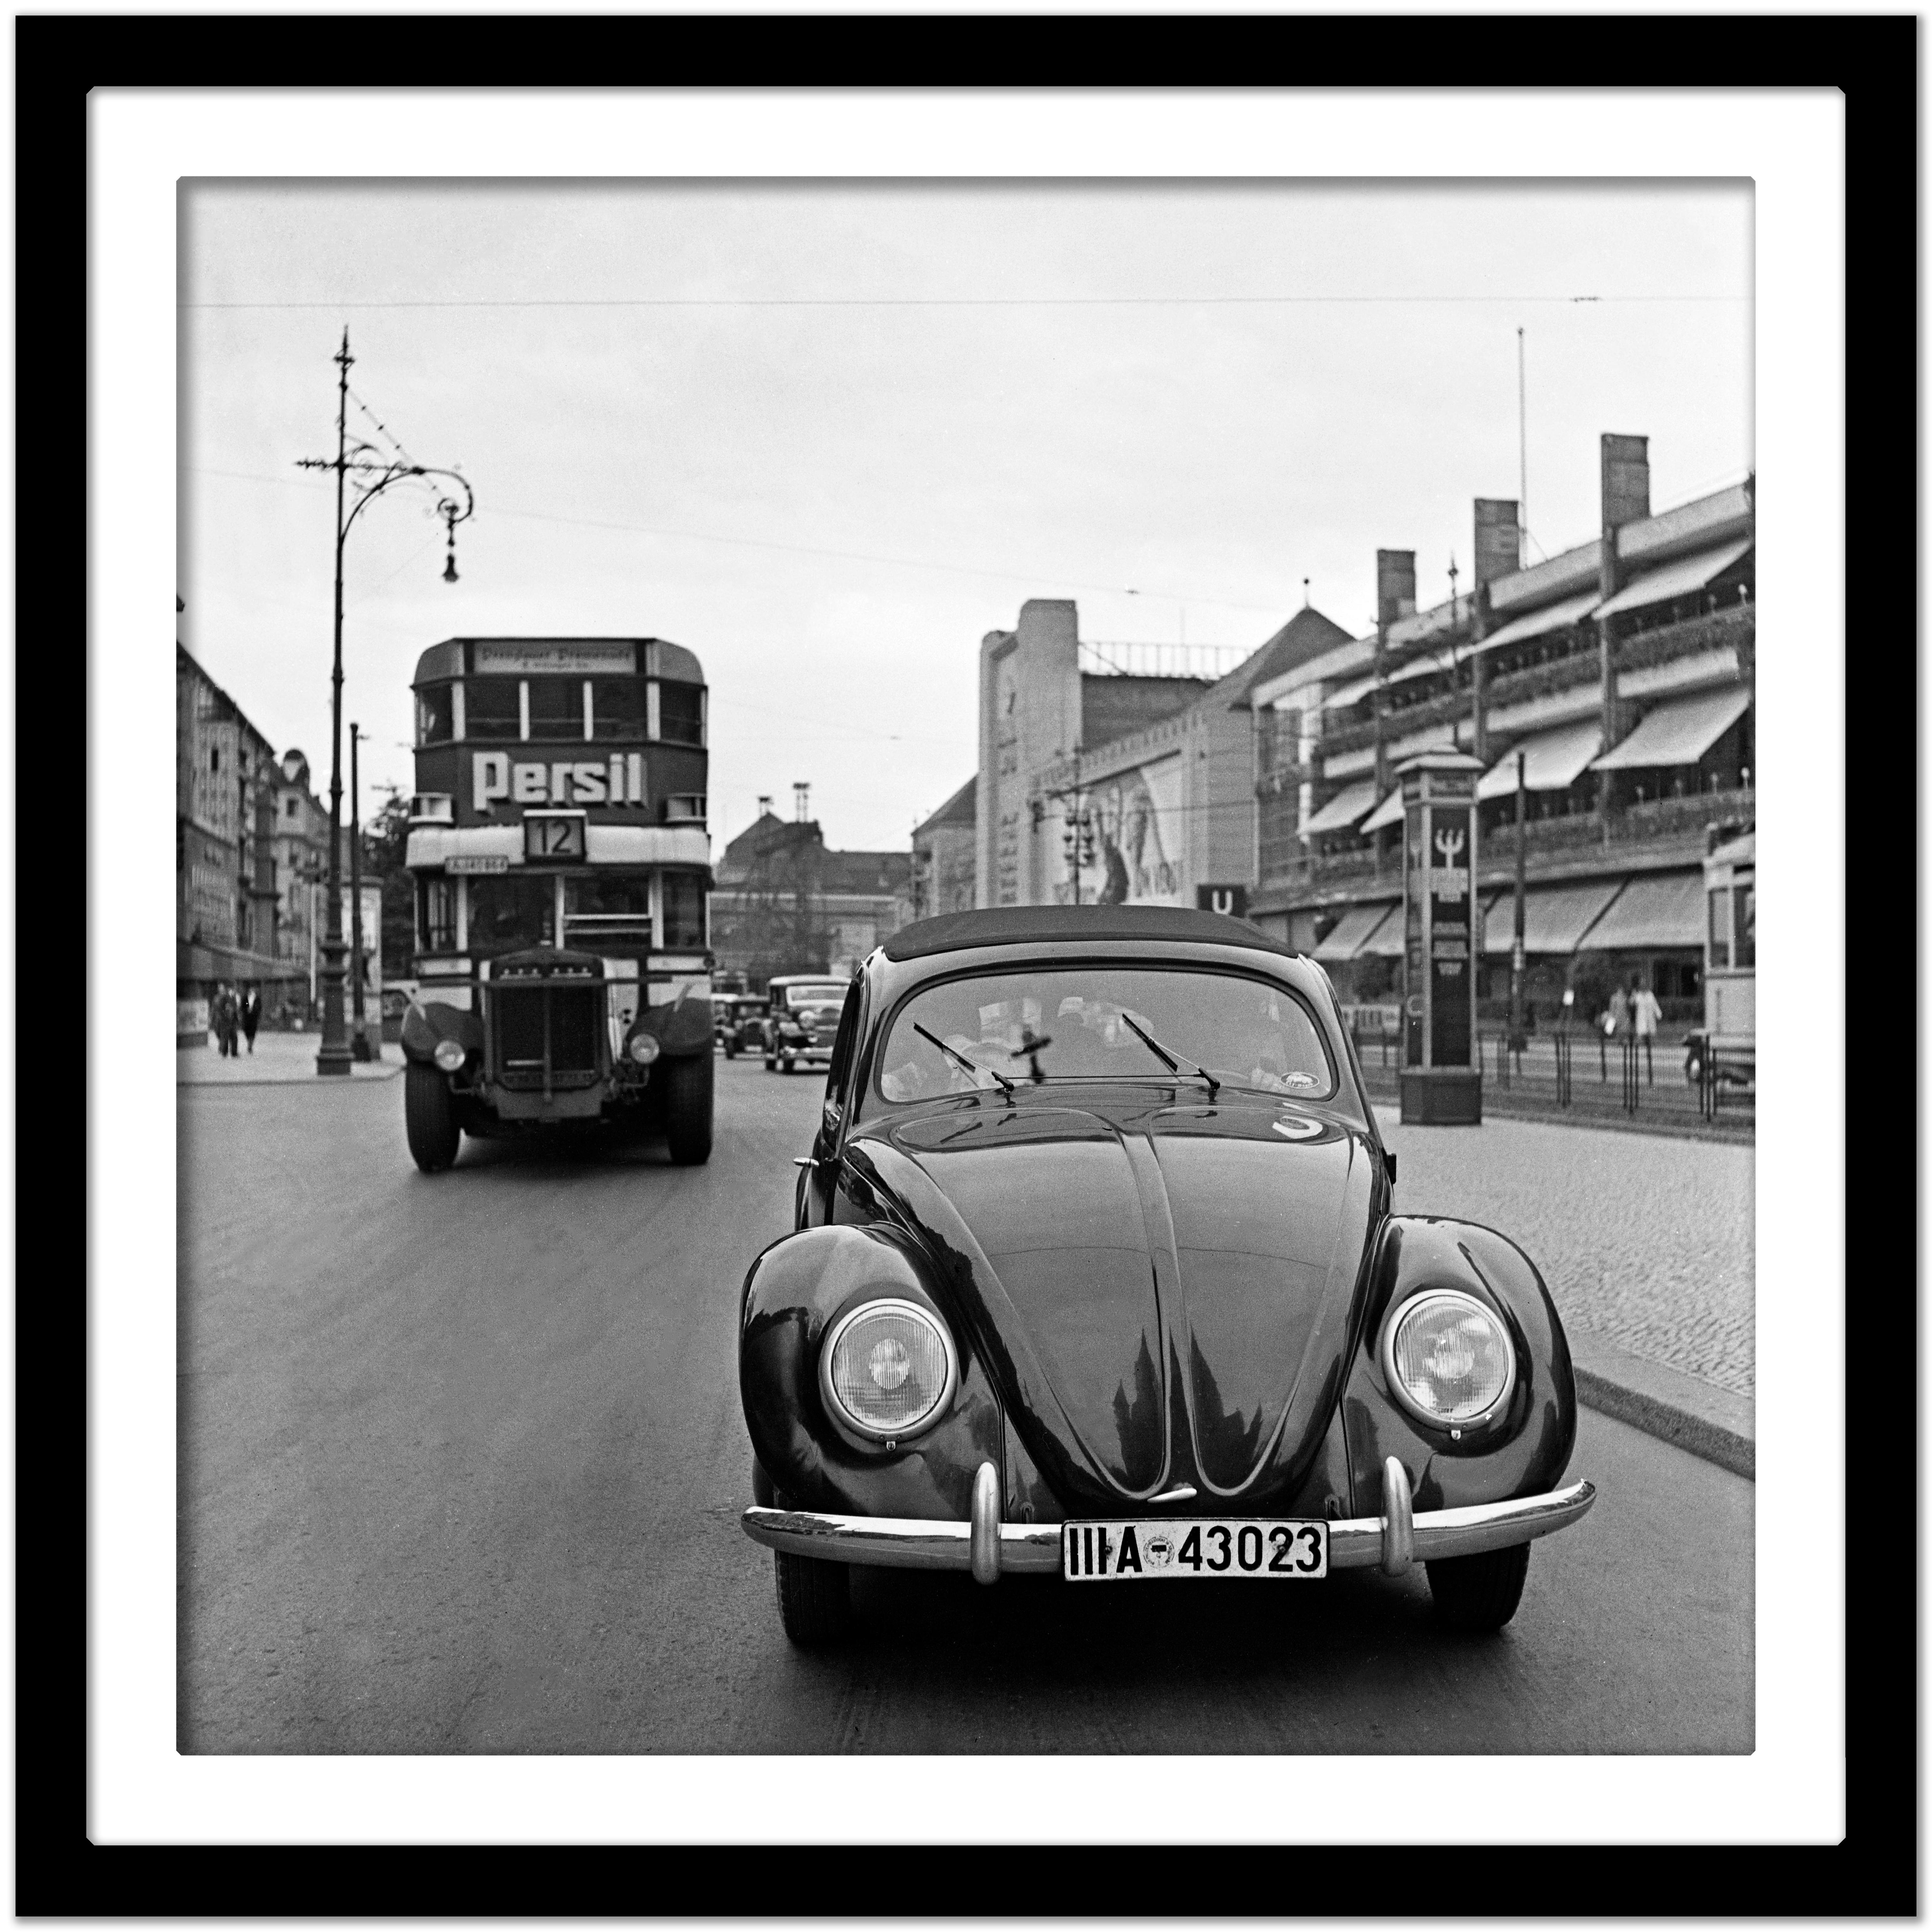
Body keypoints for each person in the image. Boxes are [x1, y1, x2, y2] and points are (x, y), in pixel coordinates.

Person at [1629, 974, 1662, 1085]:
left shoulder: (1650, 995)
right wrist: (1633, 995)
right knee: (1640, 1043)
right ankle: (1639, 1064)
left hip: (1650, 1023)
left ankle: (1649, 1063)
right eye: (1641, 984)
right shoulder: (1638, 995)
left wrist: (1659, 1014)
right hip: (1642, 1024)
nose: (1643, 985)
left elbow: (1655, 1005)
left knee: (1650, 1044)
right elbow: (1632, 1003)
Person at [241, 984, 262, 1055]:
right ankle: (249, 1042)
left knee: (253, 1032)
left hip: (254, 1018)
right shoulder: (245, 998)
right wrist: (247, 1010)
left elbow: (259, 1008)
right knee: (247, 1031)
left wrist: (254, 1011)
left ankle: (250, 1046)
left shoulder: (257, 999)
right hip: (247, 1018)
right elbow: (243, 1007)